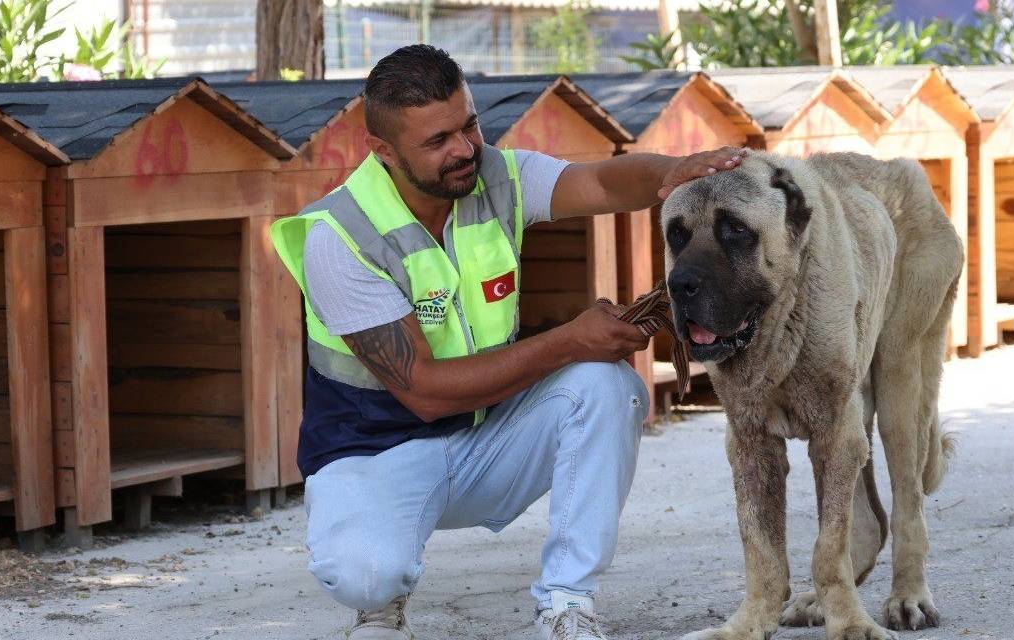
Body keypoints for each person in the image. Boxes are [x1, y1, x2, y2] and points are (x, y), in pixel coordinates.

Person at [271, 44, 744, 640]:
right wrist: (570, 340)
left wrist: (671, 174)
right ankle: (380, 602)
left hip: (484, 442)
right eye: (437, 140)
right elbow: (424, 392)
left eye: (469, 125)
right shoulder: (340, 236)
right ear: (383, 150)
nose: (465, 149)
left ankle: (567, 603)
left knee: (607, 386)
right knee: (367, 575)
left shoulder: (497, 176)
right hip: (377, 452)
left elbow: (598, 183)